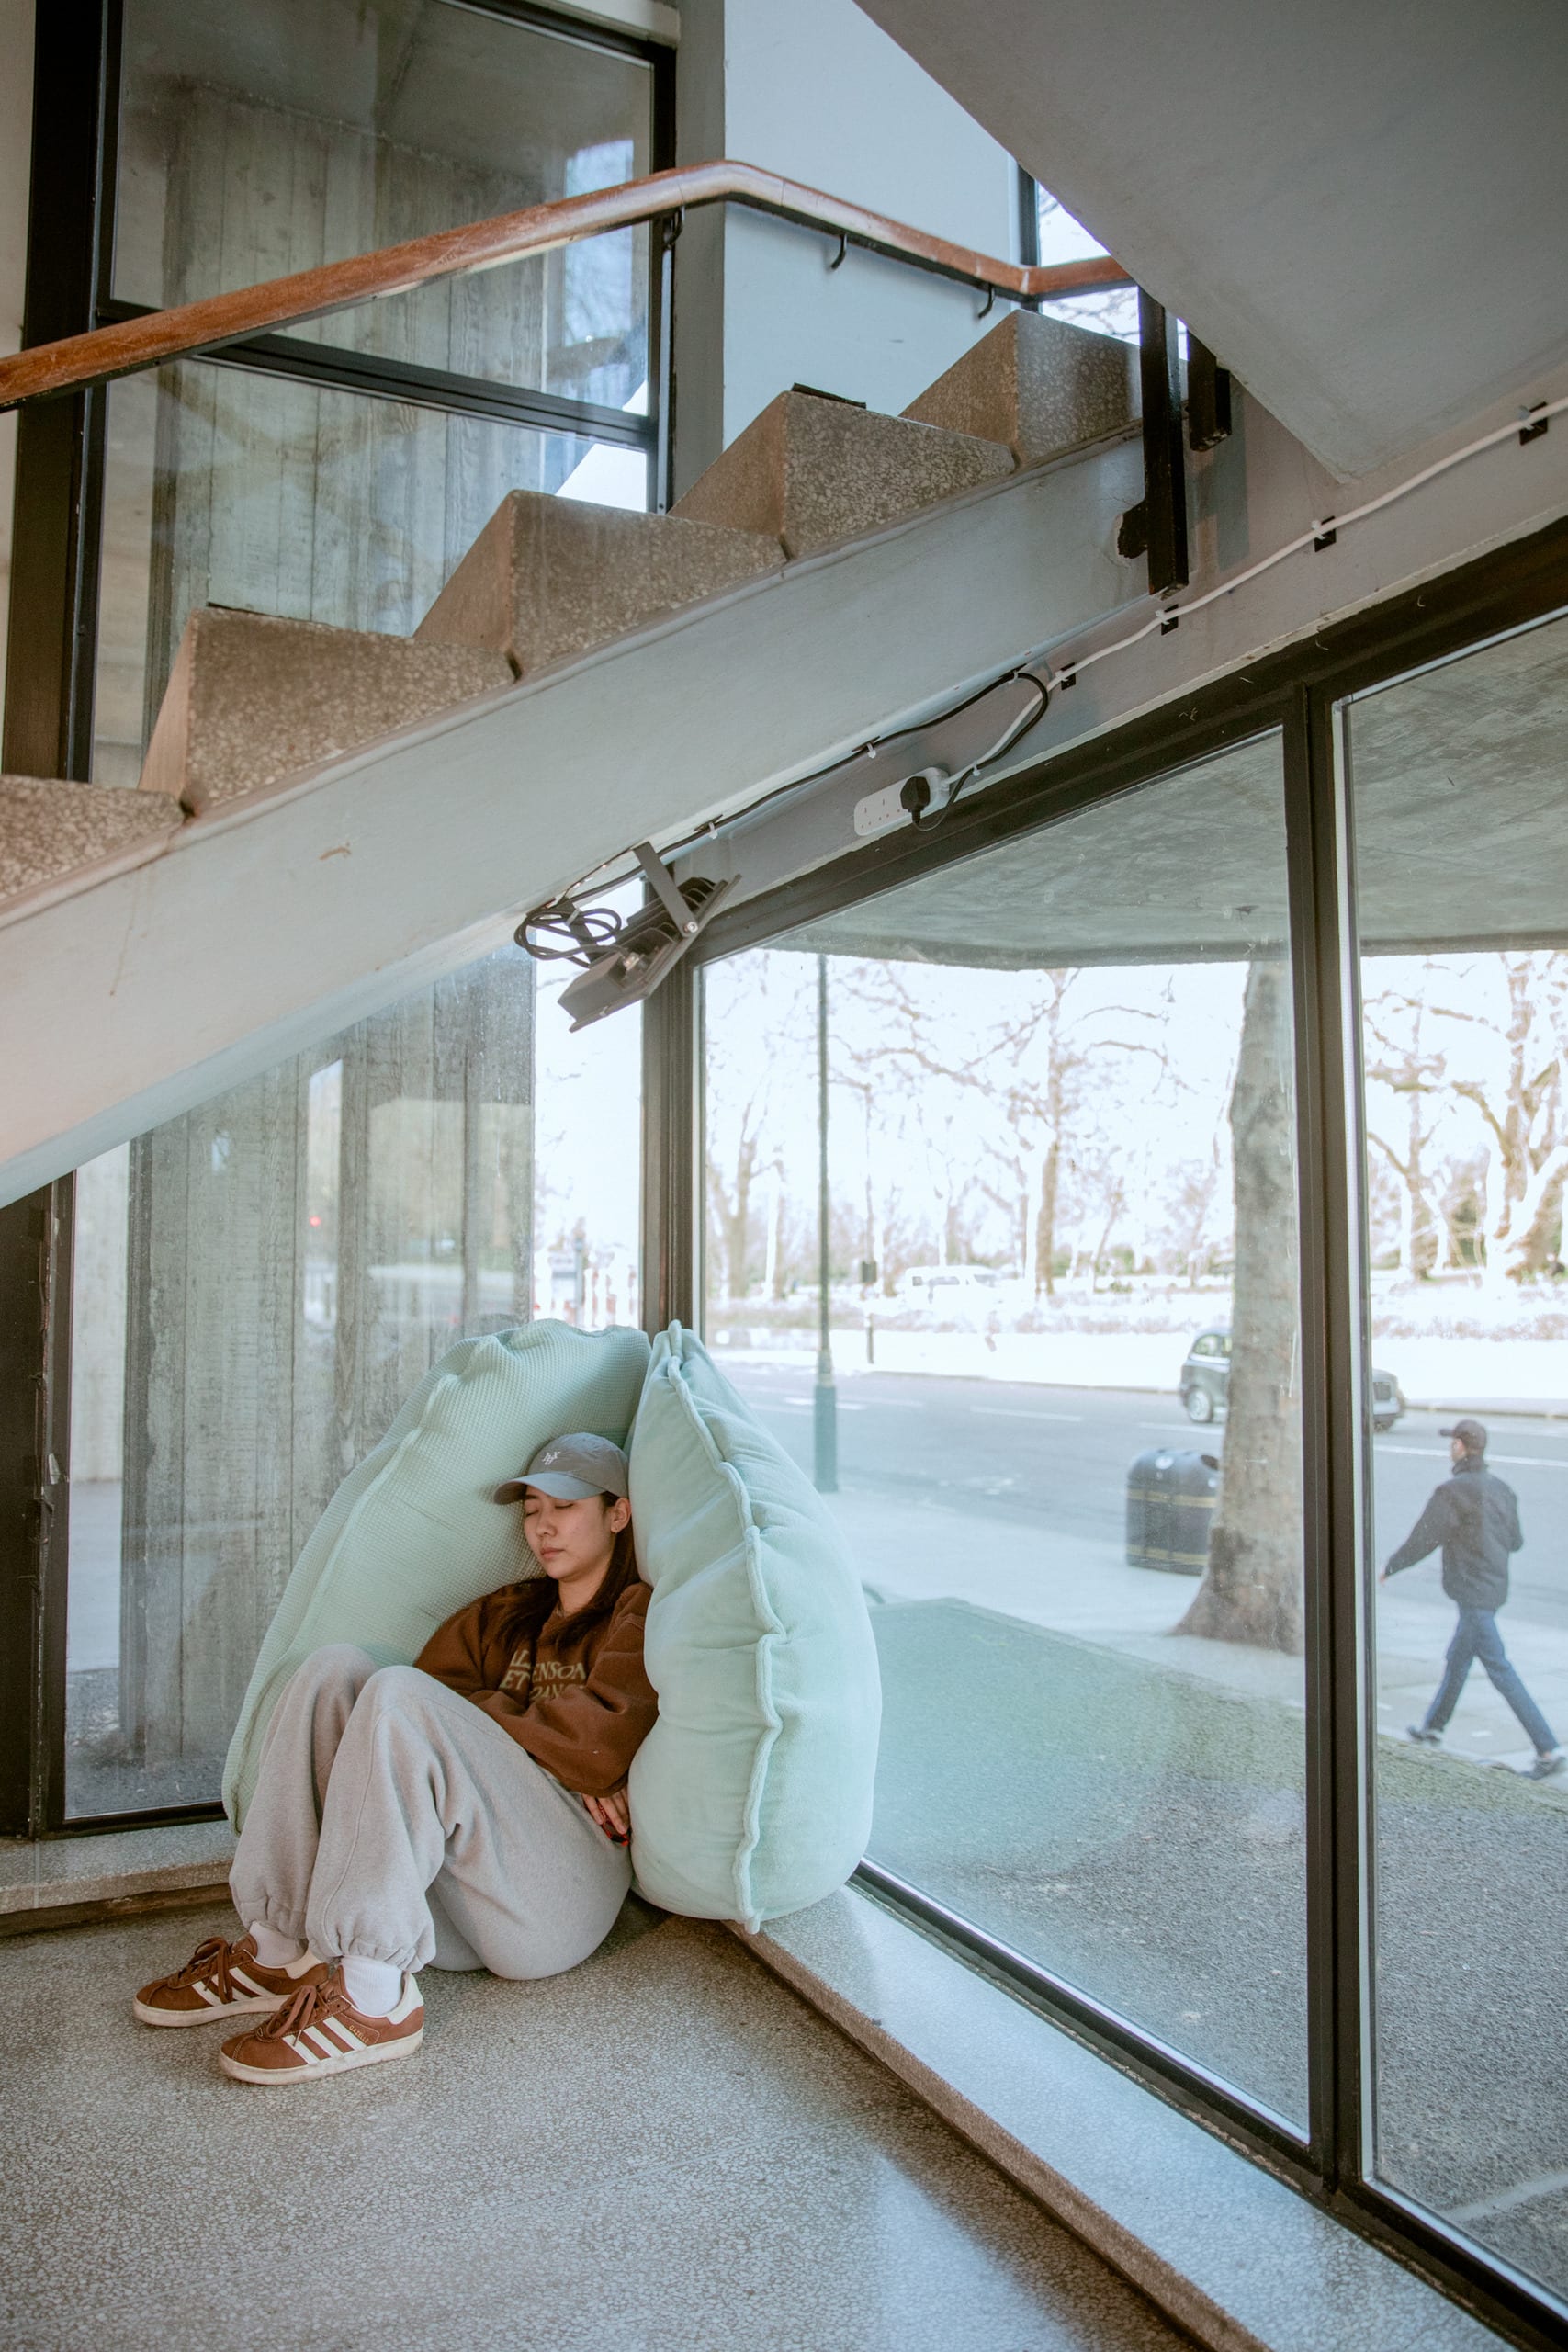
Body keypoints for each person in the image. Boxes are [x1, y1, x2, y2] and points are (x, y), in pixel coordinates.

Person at [131, 1432, 656, 2084]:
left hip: (557, 1904)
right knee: (336, 1669)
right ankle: (279, 1948)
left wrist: (496, 1734)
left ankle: (376, 2002)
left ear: (617, 1513)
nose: (543, 1527)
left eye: (565, 1506)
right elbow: (423, 1719)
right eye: (530, 1511)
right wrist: (523, 1744)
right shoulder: (504, 1614)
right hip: (456, 1916)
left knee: (399, 1692)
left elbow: (594, 1742)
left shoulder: (635, 1613)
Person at [1380, 1417, 1564, 1780]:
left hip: (1472, 1592)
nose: (1451, 1446)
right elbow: (1516, 1541)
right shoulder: (1503, 1489)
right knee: (1458, 1659)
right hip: (1493, 1589)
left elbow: (1425, 1538)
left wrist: (1392, 1566)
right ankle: (1433, 1727)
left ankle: (1548, 1748)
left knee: (1498, 1667)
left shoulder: (1453, 1492)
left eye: (1453, 1442)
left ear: (1460, 1447)